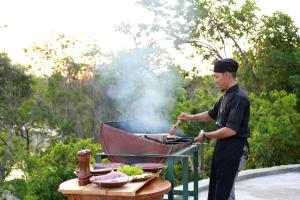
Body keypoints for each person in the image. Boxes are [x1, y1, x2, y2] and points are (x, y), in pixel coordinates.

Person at [177, 58, 250, 200]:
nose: (215, 81)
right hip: (223, 148)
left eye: (217, 76)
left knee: (225, 191)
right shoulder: (225, 97)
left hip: (234, 150)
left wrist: (206, 135)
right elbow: (210, 114)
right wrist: (190, 117)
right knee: (219, 190)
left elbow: (231, 130)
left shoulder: (239, 98)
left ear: (227, 74)